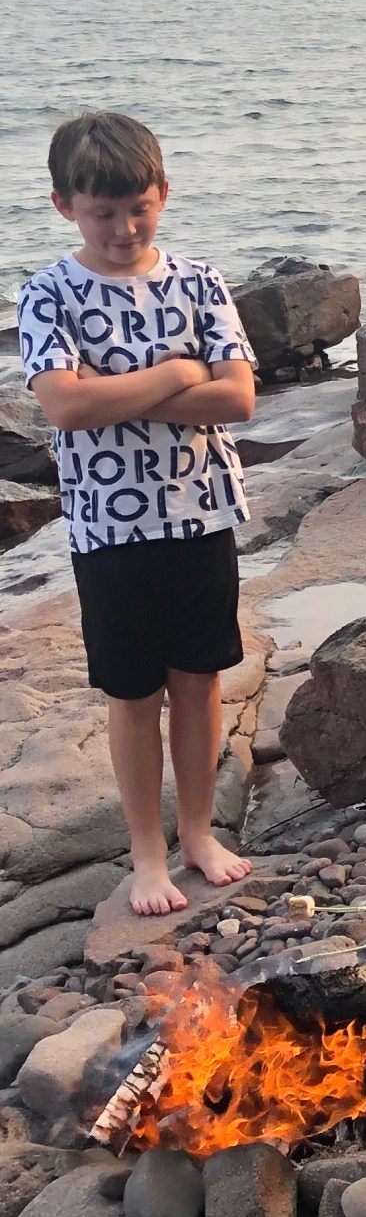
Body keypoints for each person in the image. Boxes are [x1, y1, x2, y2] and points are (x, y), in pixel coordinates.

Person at [17, 112, 259, 916]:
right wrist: (177, 371)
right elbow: (64, 407)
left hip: (200, 515)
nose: (123, 229)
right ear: (64, 207)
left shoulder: (198, 280)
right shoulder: (49, 292)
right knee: (132, 693)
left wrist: (115, 391)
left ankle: (196, 834)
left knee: (199, 680)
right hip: (108, 529)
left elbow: (238, 397)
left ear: (163, 194)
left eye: (138, 208)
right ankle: (146, 854)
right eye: (101, 213)